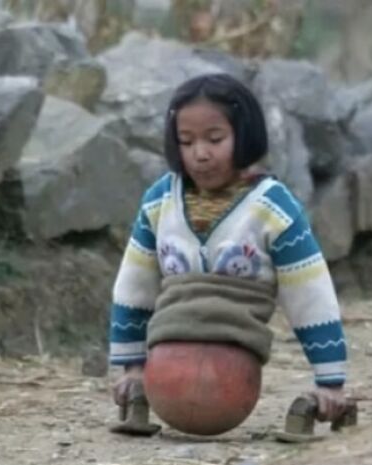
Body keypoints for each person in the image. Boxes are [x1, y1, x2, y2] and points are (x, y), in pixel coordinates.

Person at [109, 73, 348, 424]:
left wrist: (330, 382)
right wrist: (131, 368)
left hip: (233, 372)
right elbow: (134, 284)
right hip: (165, 366)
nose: (200, 154)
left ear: (244, 134)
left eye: (215, 139)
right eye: (186, 142)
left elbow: (310, 294)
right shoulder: (159, 202)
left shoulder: (273, 210)